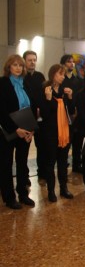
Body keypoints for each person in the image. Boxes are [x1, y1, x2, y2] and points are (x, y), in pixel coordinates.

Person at [0, 54, 36, 209]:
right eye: (14, 65)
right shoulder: (3, 83)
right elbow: (1, 111)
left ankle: (23, 194)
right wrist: (15, 129)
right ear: (9, 67)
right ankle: (9, 197)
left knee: (22, 163)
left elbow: (31, 107)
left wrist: (31, 129)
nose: (18, 68)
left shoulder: (25, 83)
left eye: (20, 65)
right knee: (6, 164)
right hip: (8, 131)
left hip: (25, 130)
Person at [39, 64, 75, 202]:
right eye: (60, 74)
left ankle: (64, 188)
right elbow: (44, 115)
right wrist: (48, 100)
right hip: (50, 133)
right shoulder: (45, 91)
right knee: (50, 163)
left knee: (63, 162)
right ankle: (51, 191)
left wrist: (70, 97)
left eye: (63, 74)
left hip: (64, 132)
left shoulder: (64, 92)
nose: (63, 77)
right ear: (53, 74)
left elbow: (71, 112)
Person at [23, 50, 46, 180]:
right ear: (24, 61)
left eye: (34, 60)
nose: (32, 62)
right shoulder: (21, 77)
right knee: (24, 148)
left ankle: (42, 172)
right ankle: (24, 176)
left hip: (39, 116)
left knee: (41, 145)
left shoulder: (40, 76)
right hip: (26, 116)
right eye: (29, 60)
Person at [61, 54, 84, 173]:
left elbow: (81, 98)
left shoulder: (79, 81)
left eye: (72, 62)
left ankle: (77, 164)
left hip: (77, 116)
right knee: (66, 142)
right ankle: (63, 163)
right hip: (64, 115)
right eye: (68, 62)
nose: (71, 64)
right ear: (63, 65)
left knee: (78, 142)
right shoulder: (61, 80)